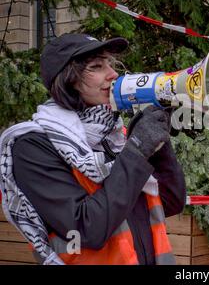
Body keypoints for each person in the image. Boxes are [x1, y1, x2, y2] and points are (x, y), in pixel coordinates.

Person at [0, 33, 186, 265]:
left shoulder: (114, 136)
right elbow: (86, 228)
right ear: (68, 80)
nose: (113, 74)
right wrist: (137, 151)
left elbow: (171, 201)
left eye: (110, 63)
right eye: (97, 66)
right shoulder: (33, 145)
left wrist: (158, 145)